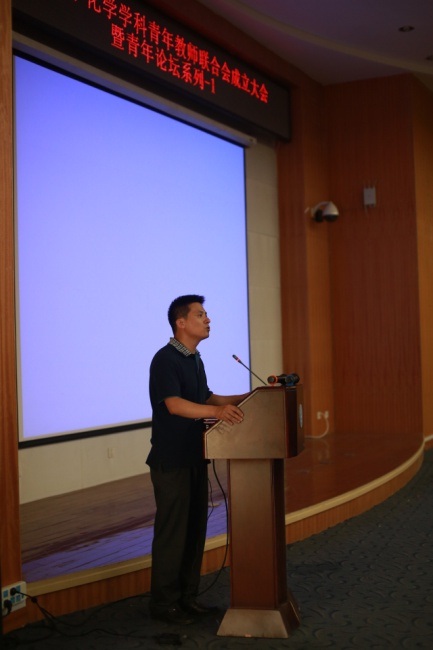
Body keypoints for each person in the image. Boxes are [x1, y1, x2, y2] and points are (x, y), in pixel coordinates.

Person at [147, 294, 248, 625]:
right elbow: (175, 405)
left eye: (207, 315)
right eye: (201, 314)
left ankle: (187, 597)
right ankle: (164, 604)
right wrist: (217, 412)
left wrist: (248, 398)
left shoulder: (195, 359)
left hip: (195, 456)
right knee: (173, 534)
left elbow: (206, 397)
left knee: (194, 532)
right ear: (181, 322)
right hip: (172, 460)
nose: (208, 320)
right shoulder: (165, 359)